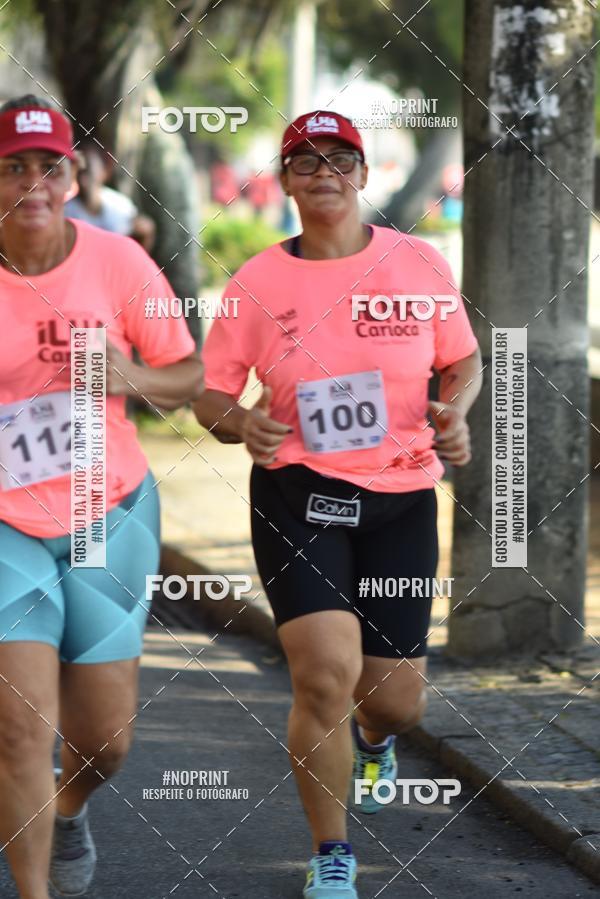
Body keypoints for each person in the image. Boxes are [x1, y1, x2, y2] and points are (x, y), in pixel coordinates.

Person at [194, 110, 482, 898]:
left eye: (340, 159)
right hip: (298, 496)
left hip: (402, 499)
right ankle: (331, 852)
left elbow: (461, 360)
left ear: (362, 173)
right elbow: (211, 394)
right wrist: (240, 421)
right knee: (323, 674)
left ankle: (374, 735)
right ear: (286, 179)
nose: (325, 172)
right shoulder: (255, 281)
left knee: (398, 699)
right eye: (306, 161)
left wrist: (453, 409)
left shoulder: (418, 263)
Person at [0, 94, 202, 899]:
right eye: (13, 167)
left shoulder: (118, 264)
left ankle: (68, 802)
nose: (33, 183)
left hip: (105, 511)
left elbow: (189, 375)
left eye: (50, 167)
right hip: (6, 522)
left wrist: (134, 378)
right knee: (20, 727)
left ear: (75, 177)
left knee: (105, 740)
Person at [65, 140, 156, 251]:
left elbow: (142, 232)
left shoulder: (120, 206)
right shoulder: (67, 212)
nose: (84, 179)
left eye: (89, 170)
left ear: (105, 171)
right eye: (80, 171)